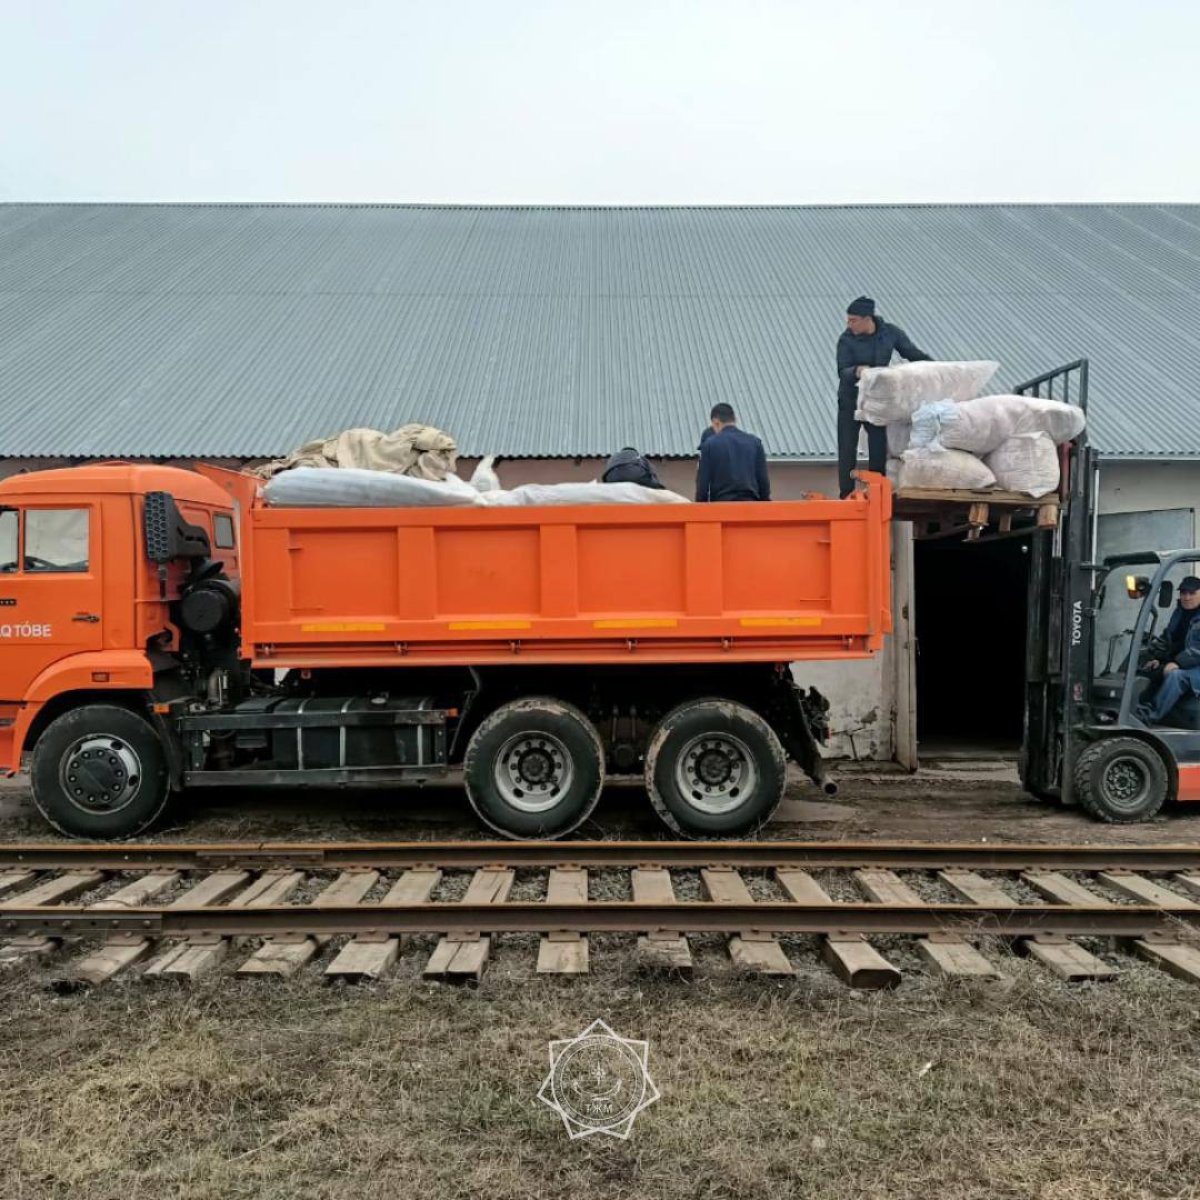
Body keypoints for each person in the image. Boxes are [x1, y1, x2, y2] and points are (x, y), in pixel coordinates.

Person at [836, 296, 932, 499]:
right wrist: (857, 370)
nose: (849, 324)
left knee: (878, 444)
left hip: (877, 399)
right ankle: (846, 493)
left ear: (867, 319)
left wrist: (935, 367)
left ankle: (876, 489)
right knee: (847, 445)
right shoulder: (846, 340)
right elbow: (842, 370)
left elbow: (912, 353)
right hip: (850, 399)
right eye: (848, 320)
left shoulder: (890, 333)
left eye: (853, 320)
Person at [1137, 576, 1200, 725]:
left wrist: (1177, 663)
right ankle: (1138, 708)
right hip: (1185, 663)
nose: (1187, 597)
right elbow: (1169, 639)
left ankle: (1152, 716)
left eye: (1192, 593)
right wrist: (1157, 658)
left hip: (1195, 667)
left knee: (1175, 676)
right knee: (1146, 668)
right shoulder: (1179, 613)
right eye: (1183, 593)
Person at [695, 403, 770, 502]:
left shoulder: (709, 445)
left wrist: (701, 511)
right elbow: (763, 483)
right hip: (751, 508)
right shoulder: (755, 443)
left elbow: (702, 487)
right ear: (734, 419)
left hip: (722, 508)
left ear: (715, 422)